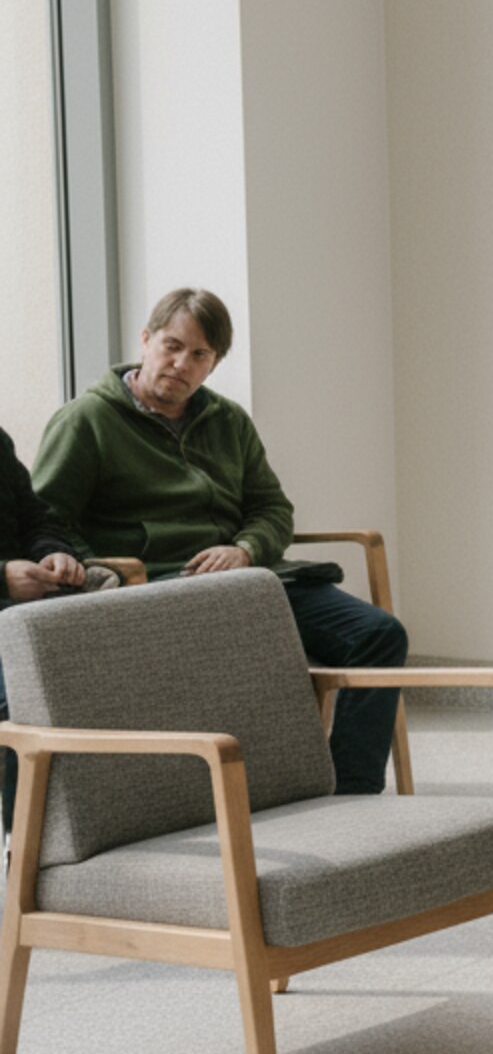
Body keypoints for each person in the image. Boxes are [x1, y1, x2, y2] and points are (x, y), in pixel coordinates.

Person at [32, 287, 410, 796]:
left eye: (199, 355)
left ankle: (351, 793)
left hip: (254, 578)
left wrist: (246, 548)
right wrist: (108, 570)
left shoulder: (228, 421)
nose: (180, 363)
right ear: (145, 341)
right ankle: (250, 792)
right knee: (248, 660)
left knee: (379, 634)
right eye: (171, 345)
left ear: (213, 364)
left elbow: (272, 508)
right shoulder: (87, 421)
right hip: (161, 587)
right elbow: (46, 523)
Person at [0, 425, 96, 834]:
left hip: (24, 611)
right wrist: (2, 576)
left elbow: (39, 519)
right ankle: (26, 854)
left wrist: (54, 553)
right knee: (27, 690)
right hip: (11, 614)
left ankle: (99, 840)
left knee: (111, 667)